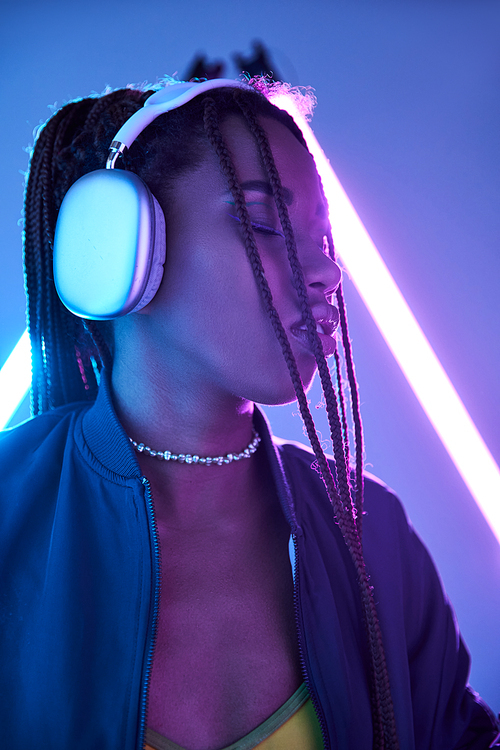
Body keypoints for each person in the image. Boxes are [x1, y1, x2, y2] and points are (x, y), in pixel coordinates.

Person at [0, 76, 498, 750]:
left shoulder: (372, 534)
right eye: (261, 219)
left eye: (325, 242)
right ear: (122, 248)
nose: (325, 273)